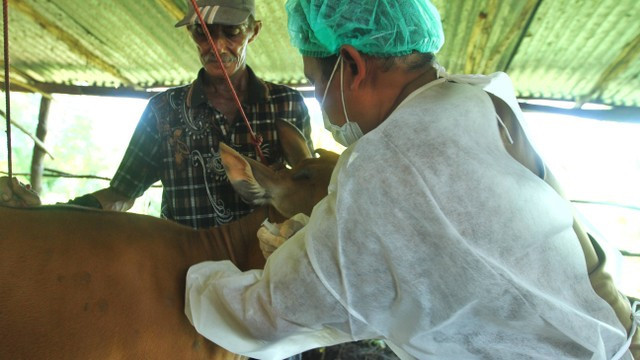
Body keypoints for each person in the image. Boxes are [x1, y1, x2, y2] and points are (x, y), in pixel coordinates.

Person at [181, 0, 638, 359]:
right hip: (613, 334)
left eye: (318, 86)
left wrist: (192, 285)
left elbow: (272, 314)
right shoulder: (479, 98)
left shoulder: (385, 163)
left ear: (354, 68)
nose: (323, 106)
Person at [0, 0, 313, 230]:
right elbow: (121, 193)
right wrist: (46, 216)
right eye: (202, 34)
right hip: (184, 275)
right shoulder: (163, 110)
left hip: (263, 270)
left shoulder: (285, 104)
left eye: (231, 32)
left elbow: (306, 191)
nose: (216, 46)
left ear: (253, 31)